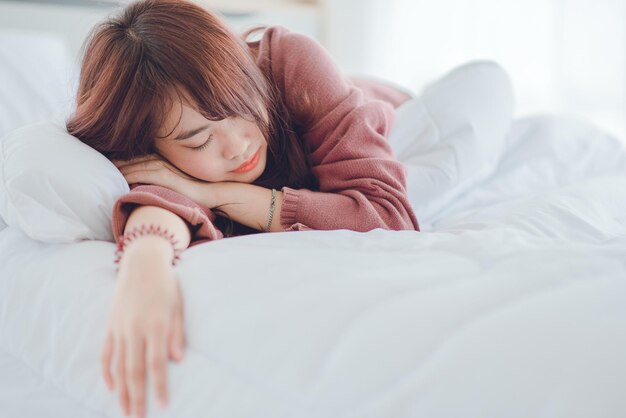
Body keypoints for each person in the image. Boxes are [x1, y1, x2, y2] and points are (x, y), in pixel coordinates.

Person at [65, 1, 420, 417]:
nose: (237, 147)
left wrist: (217, 193)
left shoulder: (292, 62)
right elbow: (162, 198)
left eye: (238, 108)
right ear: (151, 149)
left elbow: (390, 217)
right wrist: (146, 261)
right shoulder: (149, 132)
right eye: (198, 141)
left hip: (394, 112)